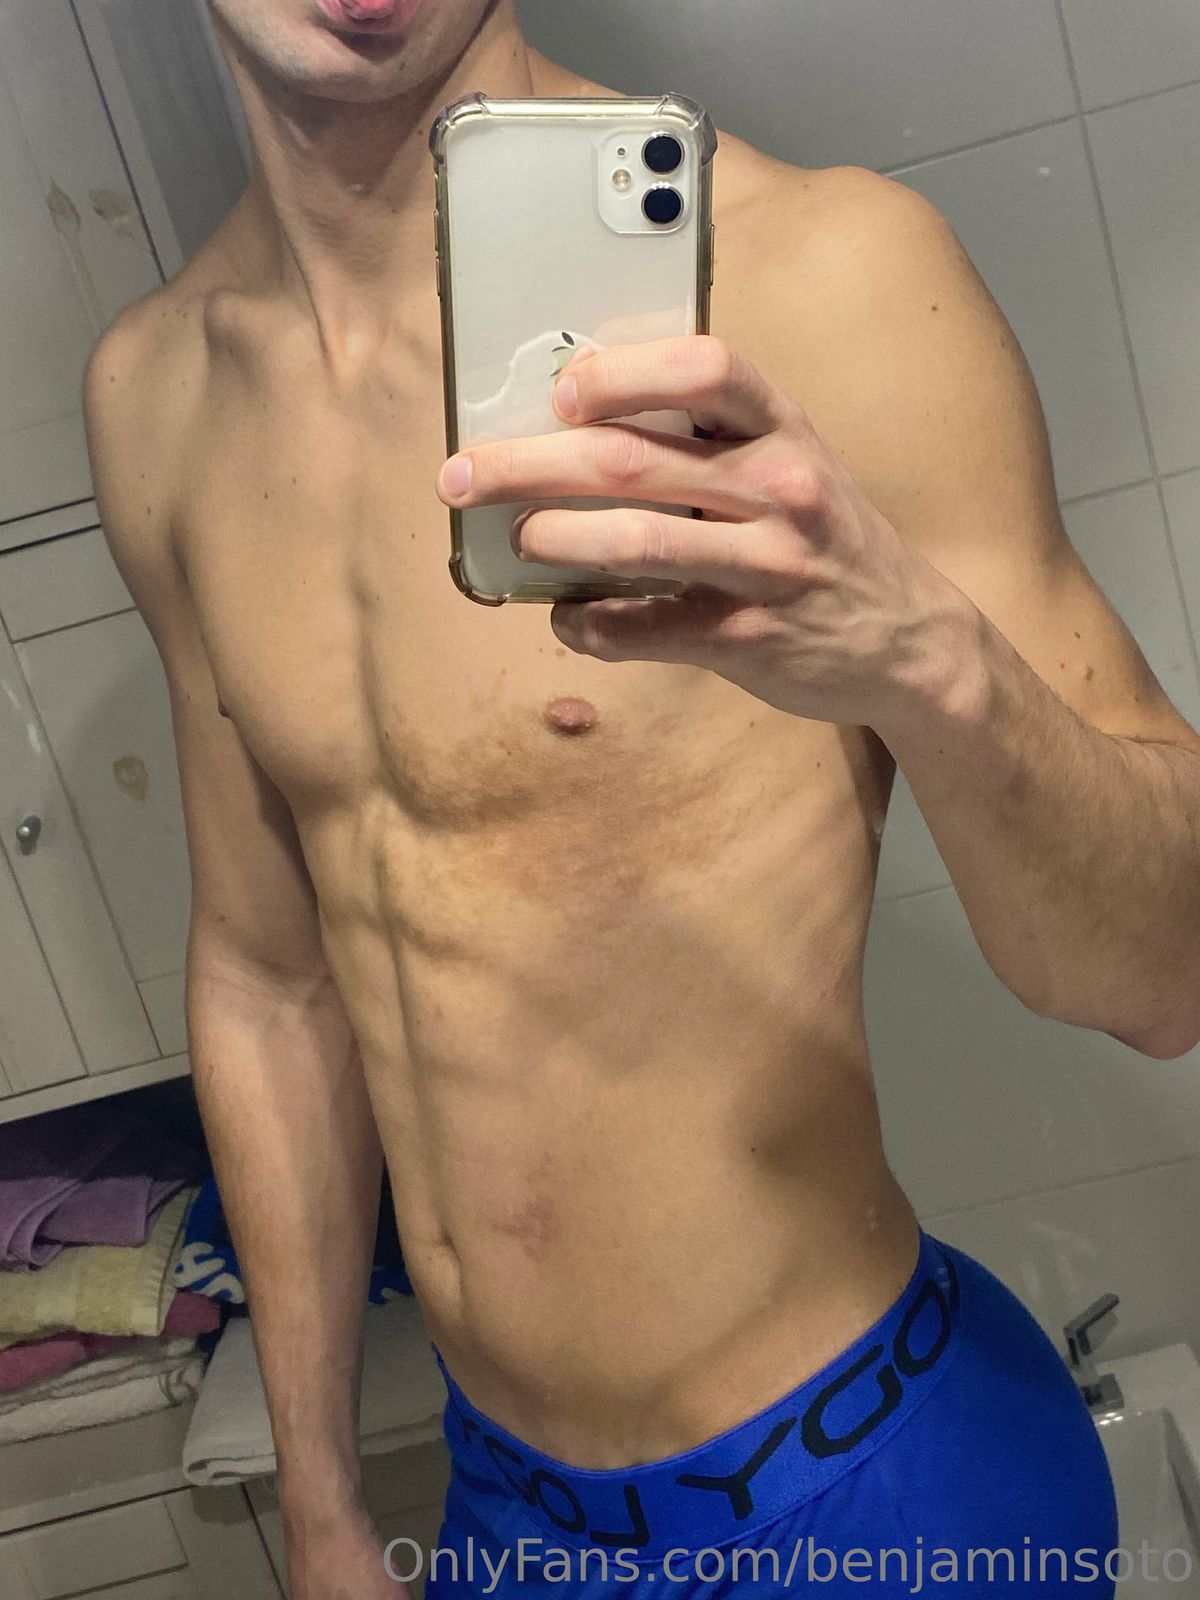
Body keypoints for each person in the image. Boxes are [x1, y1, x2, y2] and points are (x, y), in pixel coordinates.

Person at [82, 0, 1200, 1593]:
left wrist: (931, 663)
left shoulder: (825, 277)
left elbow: (1167, 980)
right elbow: (269, 977)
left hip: (878, 1489)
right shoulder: (157, 395)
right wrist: (321, 1498)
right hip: (505, 1515)